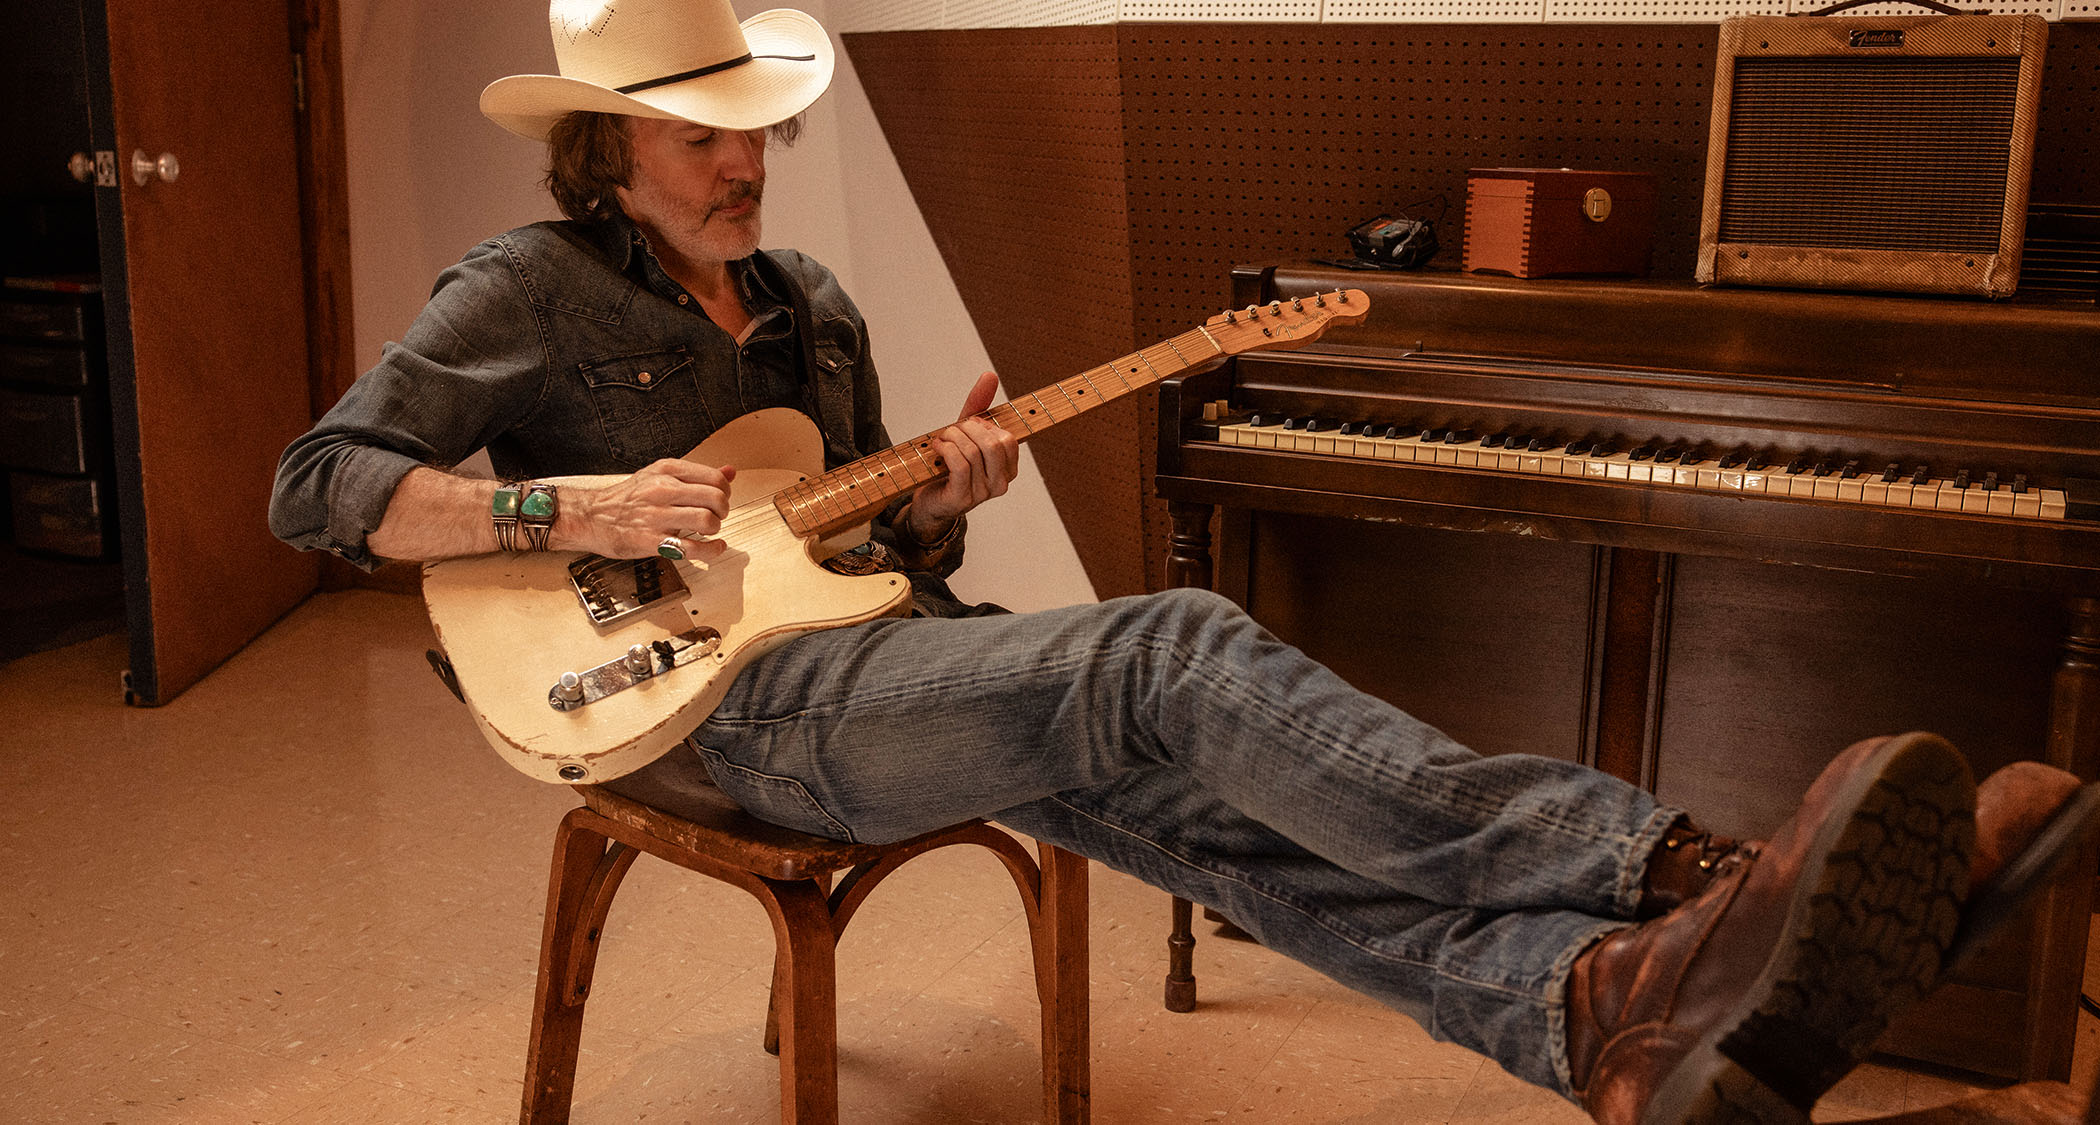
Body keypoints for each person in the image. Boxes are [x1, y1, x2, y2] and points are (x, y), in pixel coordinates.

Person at [269, 3, 2093, 1122]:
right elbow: (315, 487)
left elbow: (858, 544)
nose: (750, 162)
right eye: (704, 138)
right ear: (611, 148)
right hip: (699, 719)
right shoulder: (522, 290)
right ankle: (1689, 868)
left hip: (863, 662)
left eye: (761, 127)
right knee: (1164, 653)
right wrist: (559, 509)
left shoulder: (807, 305)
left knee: (1198, 801)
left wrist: (944, 492)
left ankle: (1593, 1018)